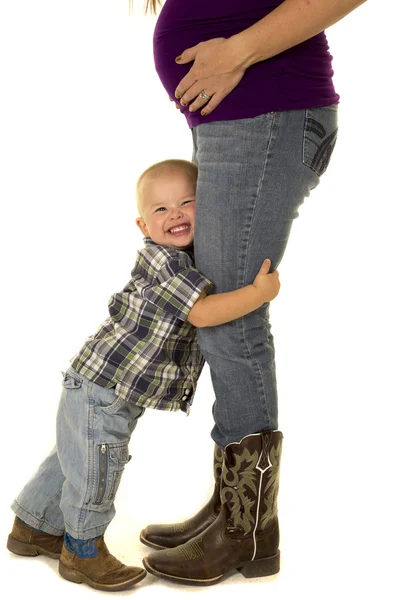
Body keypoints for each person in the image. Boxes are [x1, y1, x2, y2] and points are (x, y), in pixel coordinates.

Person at [140, 0, 367, 587]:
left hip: (264, 114)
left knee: (231, 319)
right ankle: (231, 509)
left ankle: (248, 531)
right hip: (244, 118)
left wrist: (236, 52)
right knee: (221, 312)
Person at [7, 158, 280, 592]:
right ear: (142, 225)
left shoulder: (189, 258)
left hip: (96, 381)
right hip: (105, 390)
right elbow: (203, 313)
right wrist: (256, 295)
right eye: (160, 209)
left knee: (71, 457)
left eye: (187, 202)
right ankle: (81, 551)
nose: (175, 214)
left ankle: (32, 527)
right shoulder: (164, 263)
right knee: (97, 467)